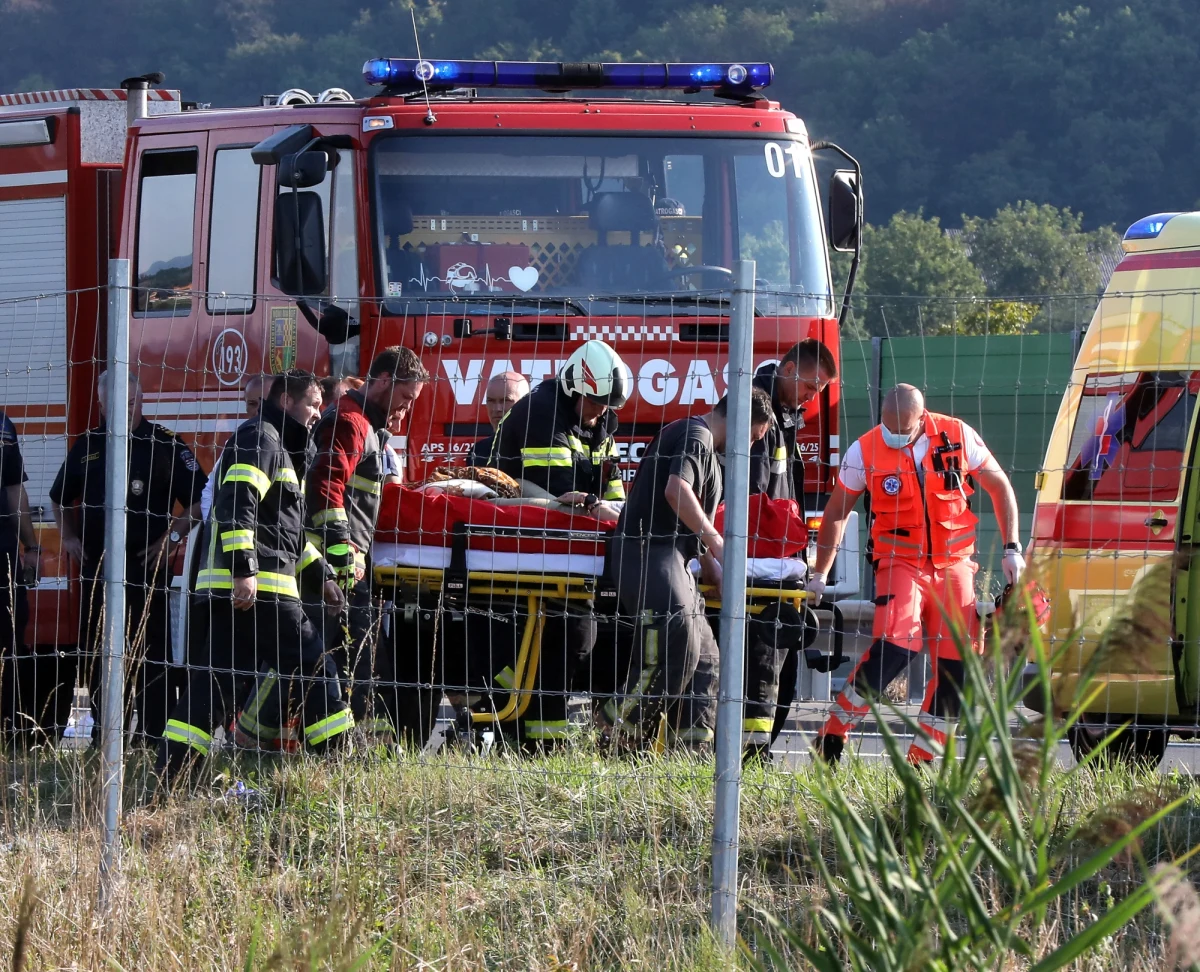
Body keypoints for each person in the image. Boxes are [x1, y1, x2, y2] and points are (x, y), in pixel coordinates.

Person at [807, 384, 1025, 764]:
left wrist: (1012, 548)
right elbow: (837, 511)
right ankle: (833, 733)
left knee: (958, 665)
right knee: (894, 646)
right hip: (899, 561)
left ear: (922, 419)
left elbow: (999, 486)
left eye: (902, 430)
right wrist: (820, 572)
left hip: (954, 562)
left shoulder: (958, 435)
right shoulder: (865, 449)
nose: (893, 437)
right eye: (887, 428)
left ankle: (922, 760)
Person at [157, 370, 352, 783]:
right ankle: (338, 768)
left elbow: (289, 536)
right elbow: (235, 502)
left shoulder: (276, 444)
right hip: (260, 588)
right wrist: (244, 570)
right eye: (313, 404)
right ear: (286, 401)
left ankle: (171, 775)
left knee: (215, 687)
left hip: (244, 588)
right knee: (316, 668)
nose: (319, 413)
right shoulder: (262, 438)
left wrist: (324, 578)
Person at [602, 388, 775, 749]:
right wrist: (719, 545)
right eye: (754, 436)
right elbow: (676, 491)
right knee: (673, 643)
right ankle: (614, 734)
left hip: (674, 557)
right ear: (742, 421)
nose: (751, 447)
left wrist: (711, 567)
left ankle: (689, 754)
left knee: (706, 660)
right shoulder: (696, 436)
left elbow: (687, 521)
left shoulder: (705, 447)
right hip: (650, 553)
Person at [49, 373, 205, 742]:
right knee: (102, 652)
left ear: (141, 399)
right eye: (117, 400)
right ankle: (107, 735)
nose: (127, 406)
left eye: (133, 399)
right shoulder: (89, 446)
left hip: (146, 570)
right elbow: (58, 498)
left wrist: (174, 536)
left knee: (152, 655)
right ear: (102, 404)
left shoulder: (164, 444)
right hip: (98, 570)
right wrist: (68, 536)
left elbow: (202, 498)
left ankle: (154, 736)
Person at [489, 341, 630, 745]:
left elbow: (612, 486)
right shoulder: (540, 411)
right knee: (568, 636)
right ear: (574, 388)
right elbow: (556, 493)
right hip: (526, 538)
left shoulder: (598, 421)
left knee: (594, 634)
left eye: (606, 403)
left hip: (575, 553)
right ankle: (540, 743)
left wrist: (616, 510)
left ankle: (555, 735)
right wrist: (595, 505)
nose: (600, 411)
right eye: (595, 402)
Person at [306, 347, 428, 737]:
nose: (405, 411)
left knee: (359, 655)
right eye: (406, 399)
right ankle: (353, 743)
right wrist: (343, 555)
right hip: (336, 562)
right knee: (350, 655)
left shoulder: (368, 425)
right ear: (385, 381)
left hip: (349, 561)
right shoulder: (349, 421)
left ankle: (363, 742)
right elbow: (327, 490)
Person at [744, 338, 838, 758]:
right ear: (787, 369)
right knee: (763, 664)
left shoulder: (783, 415)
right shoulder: (760, 412)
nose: (811, 398)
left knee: (780, 666)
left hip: (778, 562)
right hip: (762, 565)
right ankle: (748, 757)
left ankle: (754, 754)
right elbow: (755, 498)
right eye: (810, 387)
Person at [0, 412, 40, 737]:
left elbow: (15, 492)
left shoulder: (3, 425)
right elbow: (14, 493)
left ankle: (10, 728)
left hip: (4, 556)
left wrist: (32, 548)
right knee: (8, 641)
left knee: (10, 638)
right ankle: (9, 728)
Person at [199, 374, 269, 522]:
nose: (258, 410)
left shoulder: (294, 441)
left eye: (264, 402)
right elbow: (209, 492)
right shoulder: (236, 442)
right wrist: (213, 532)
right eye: (252, 404)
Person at [468, 371, 529, 467]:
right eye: (491, 401)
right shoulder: (478, 451)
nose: (497, 409)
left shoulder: (540, 448)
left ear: (526, 403)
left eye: (506, 401)